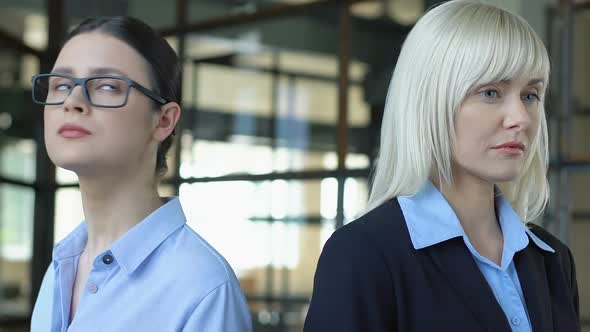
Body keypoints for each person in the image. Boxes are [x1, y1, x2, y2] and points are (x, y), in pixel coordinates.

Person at [304, 1, 580, 331]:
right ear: (431, 100)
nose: (521, 118)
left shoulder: (553, 260)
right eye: (491, 92)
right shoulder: (363, 255)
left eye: (530, 95)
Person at [29, 16, 252, 331]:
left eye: (107, 86)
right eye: (62, 85)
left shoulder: (203, 287)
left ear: (163, 120)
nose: (73, 101)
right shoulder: (60, 268)